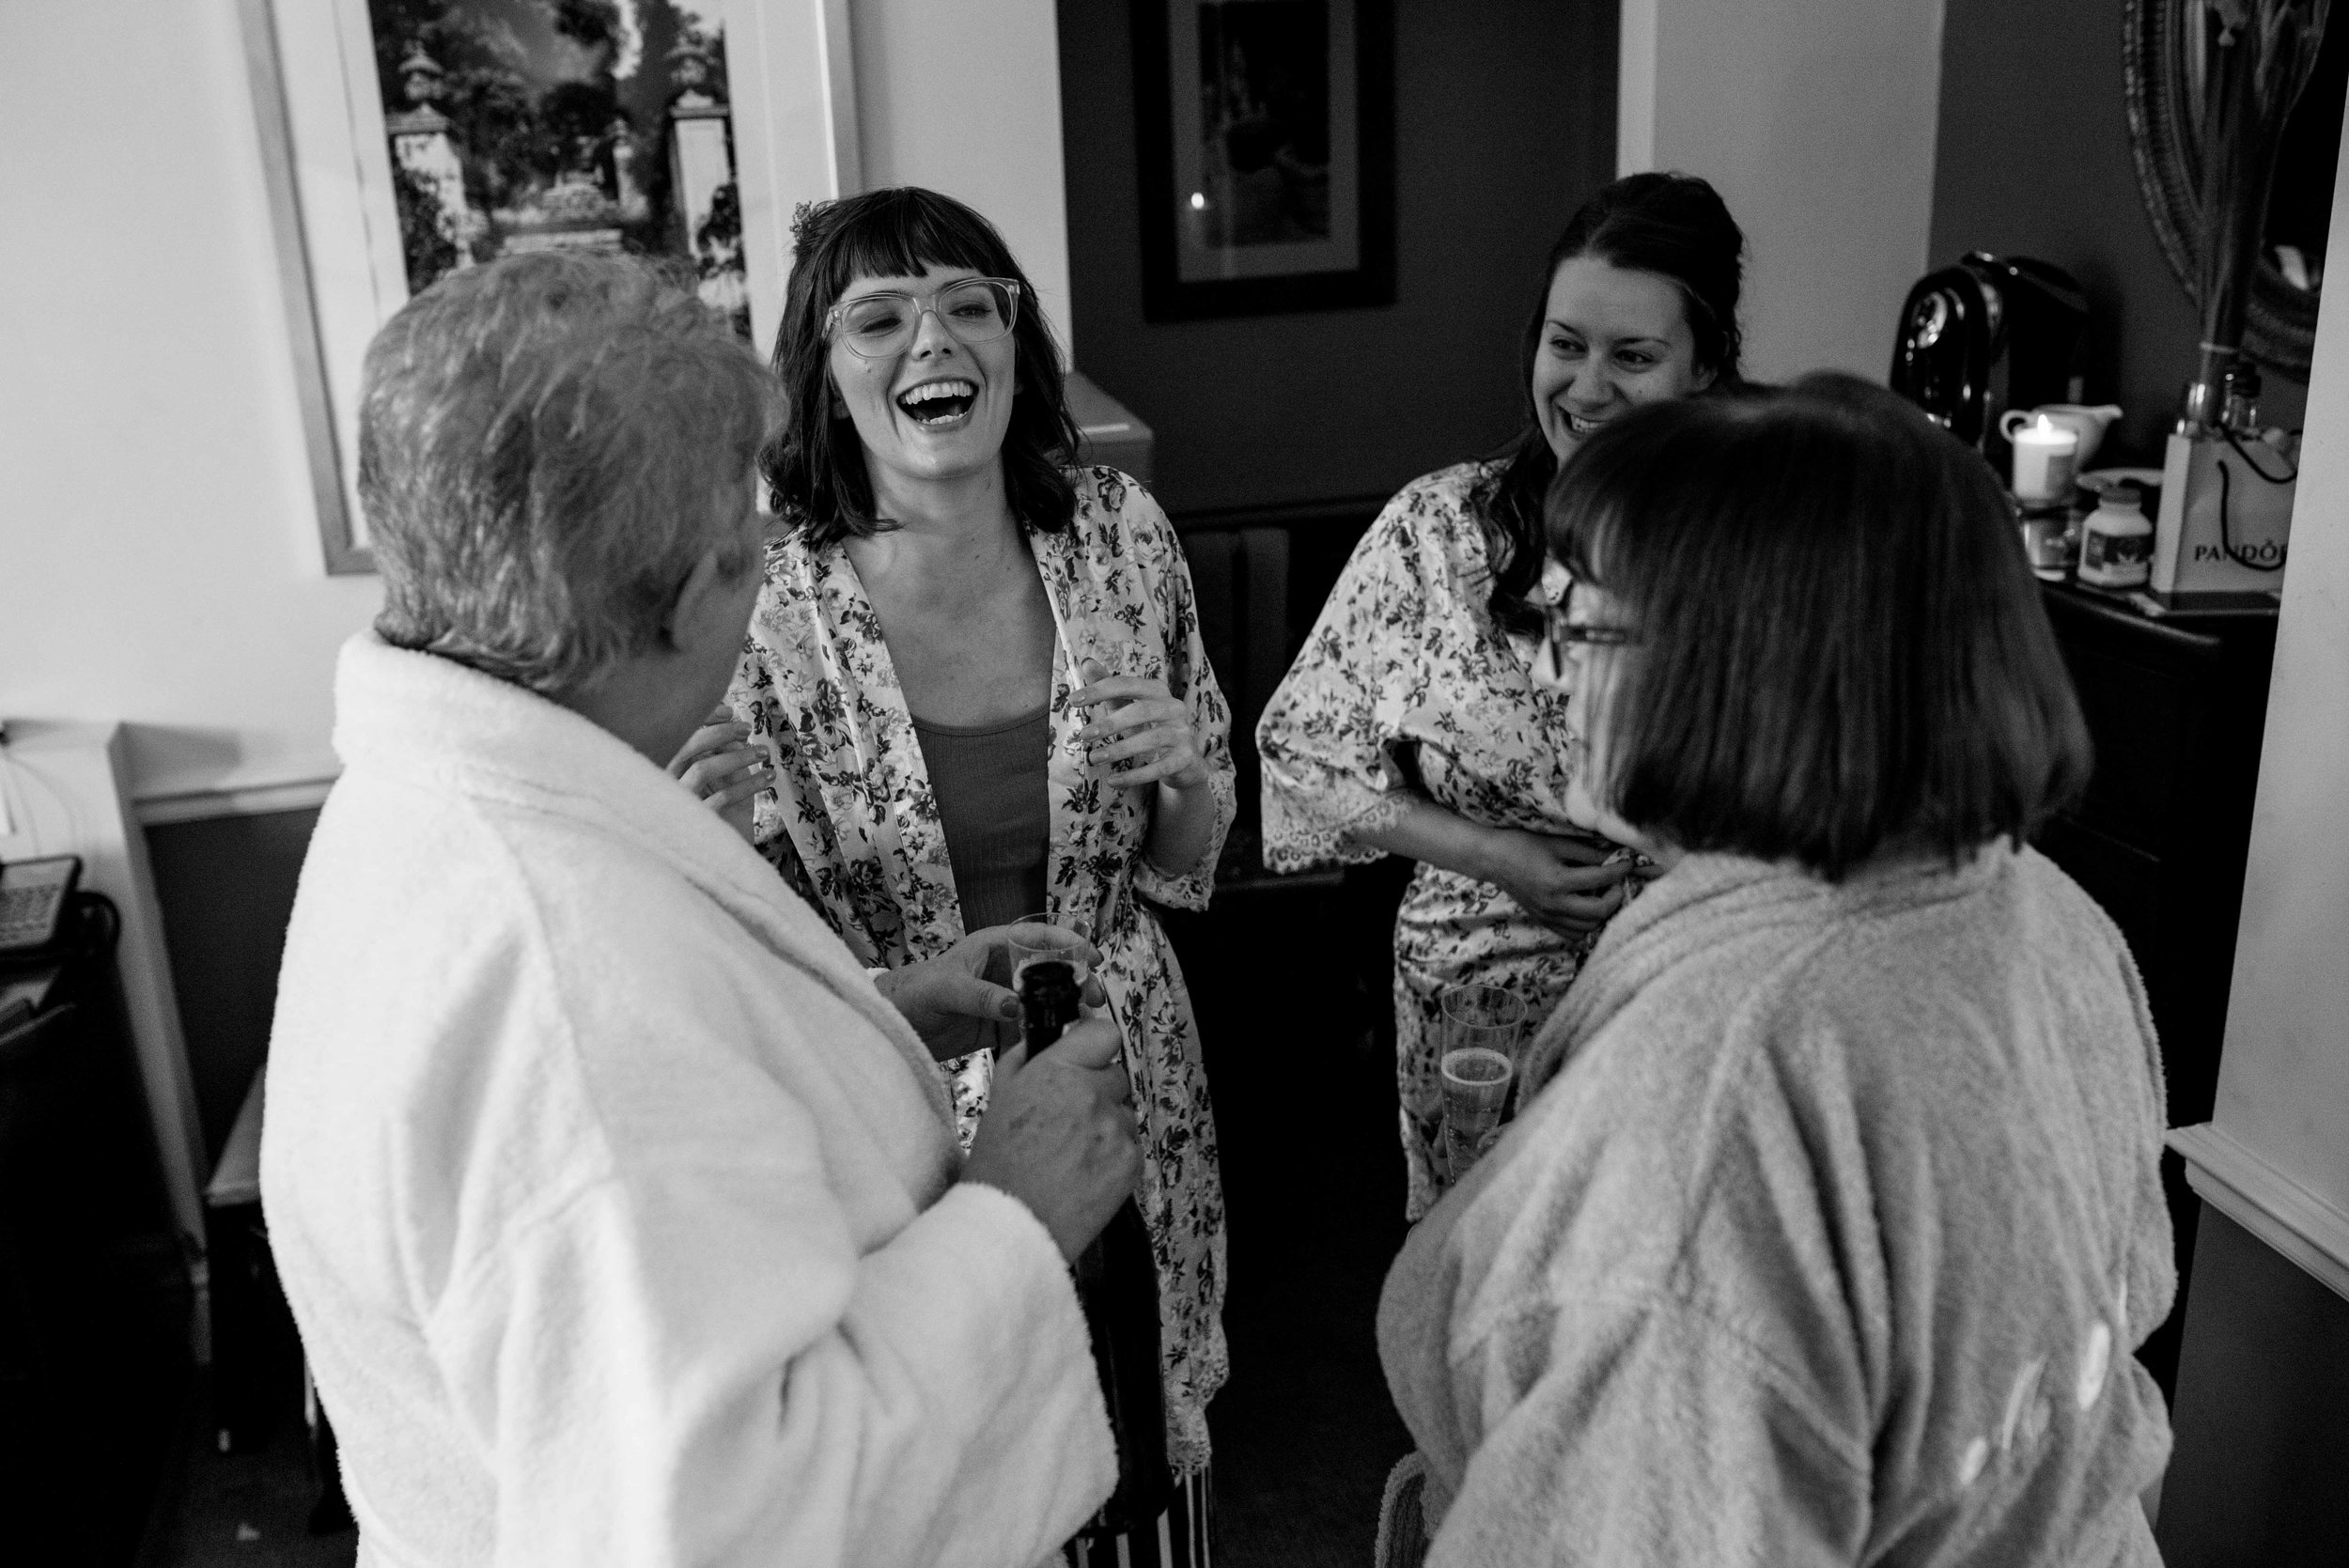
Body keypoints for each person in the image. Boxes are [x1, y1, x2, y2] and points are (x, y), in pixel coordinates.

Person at [260, 251, 1145, 1568]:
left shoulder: (441, 792)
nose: (765, 571)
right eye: (746, 550)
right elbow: (737, 1530)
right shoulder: (561, 985)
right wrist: (1015, 1208)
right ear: (682, 603)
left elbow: (666, 1134)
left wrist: (876, 1016)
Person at [1375, 376, 2174, 1565]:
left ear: (1742, 658)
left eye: (1577, 623)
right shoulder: (2045, 914)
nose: (1547, 674)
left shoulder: (1714, 1111)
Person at [677, 186, 1235, 1558]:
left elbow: (1184, 863)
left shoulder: (1117, 536)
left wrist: (1185, 787)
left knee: (1144, 1441)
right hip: (891, 1091)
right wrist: (695, 830)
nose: (935, 336)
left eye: (968, 304)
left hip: (1123, 1056)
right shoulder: (765, 596)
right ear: (824, 372)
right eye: (881, 315)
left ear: (1011, 341)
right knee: (958, 1469)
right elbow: (738, 941)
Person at [1254, 172, 1747, 1218]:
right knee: (1485, 1301)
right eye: (1564, 344)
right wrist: (1495, 854)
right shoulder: (1438, 529)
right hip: (1475, 1002)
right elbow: (1301, 747)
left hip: (1694, 996)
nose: (1585, 385)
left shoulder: (1765, 546)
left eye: (1633, 355)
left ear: (1705, 367)